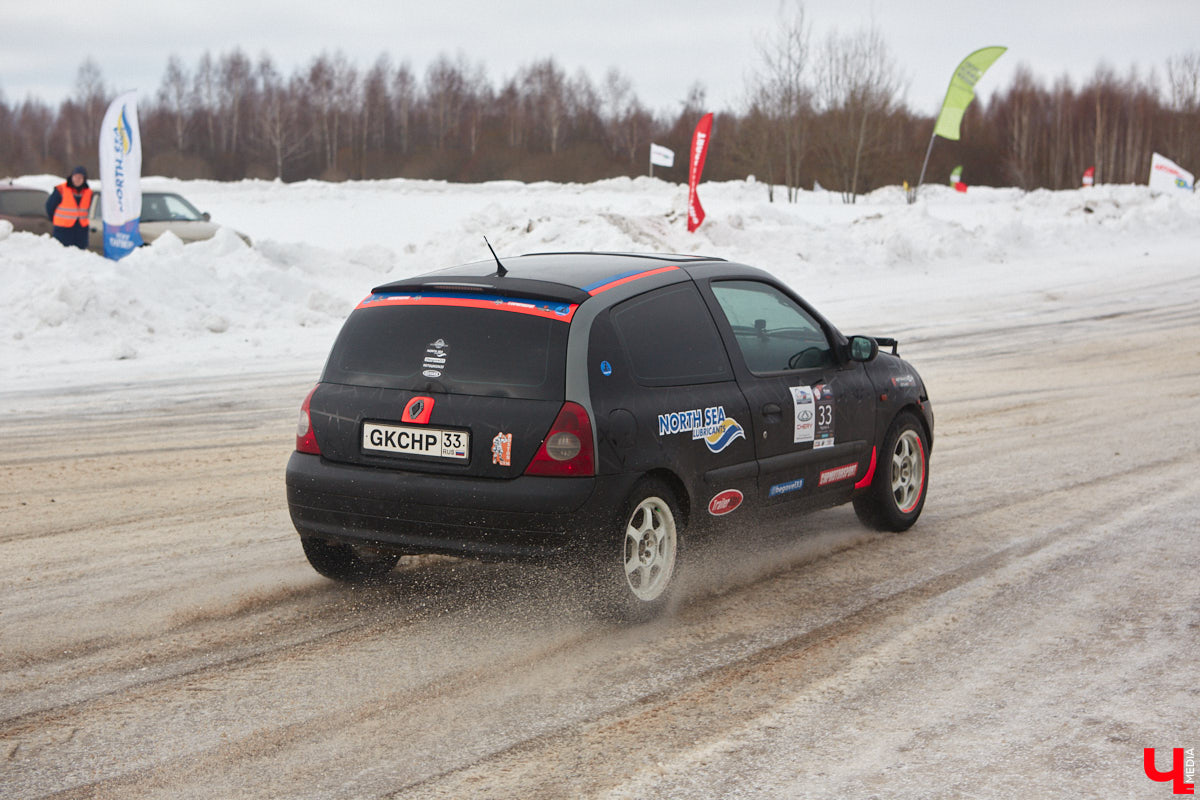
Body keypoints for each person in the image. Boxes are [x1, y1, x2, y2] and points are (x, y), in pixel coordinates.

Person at [46, 166, 93, 249]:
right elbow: (49, 206)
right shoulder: (61, 189)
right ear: (71, 177)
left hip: (80, 231)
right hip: (63, 230)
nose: (77, 180)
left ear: (84, 179)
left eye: (80, 177)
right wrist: (55, 220)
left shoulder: (88, 192)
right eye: (75, 177)